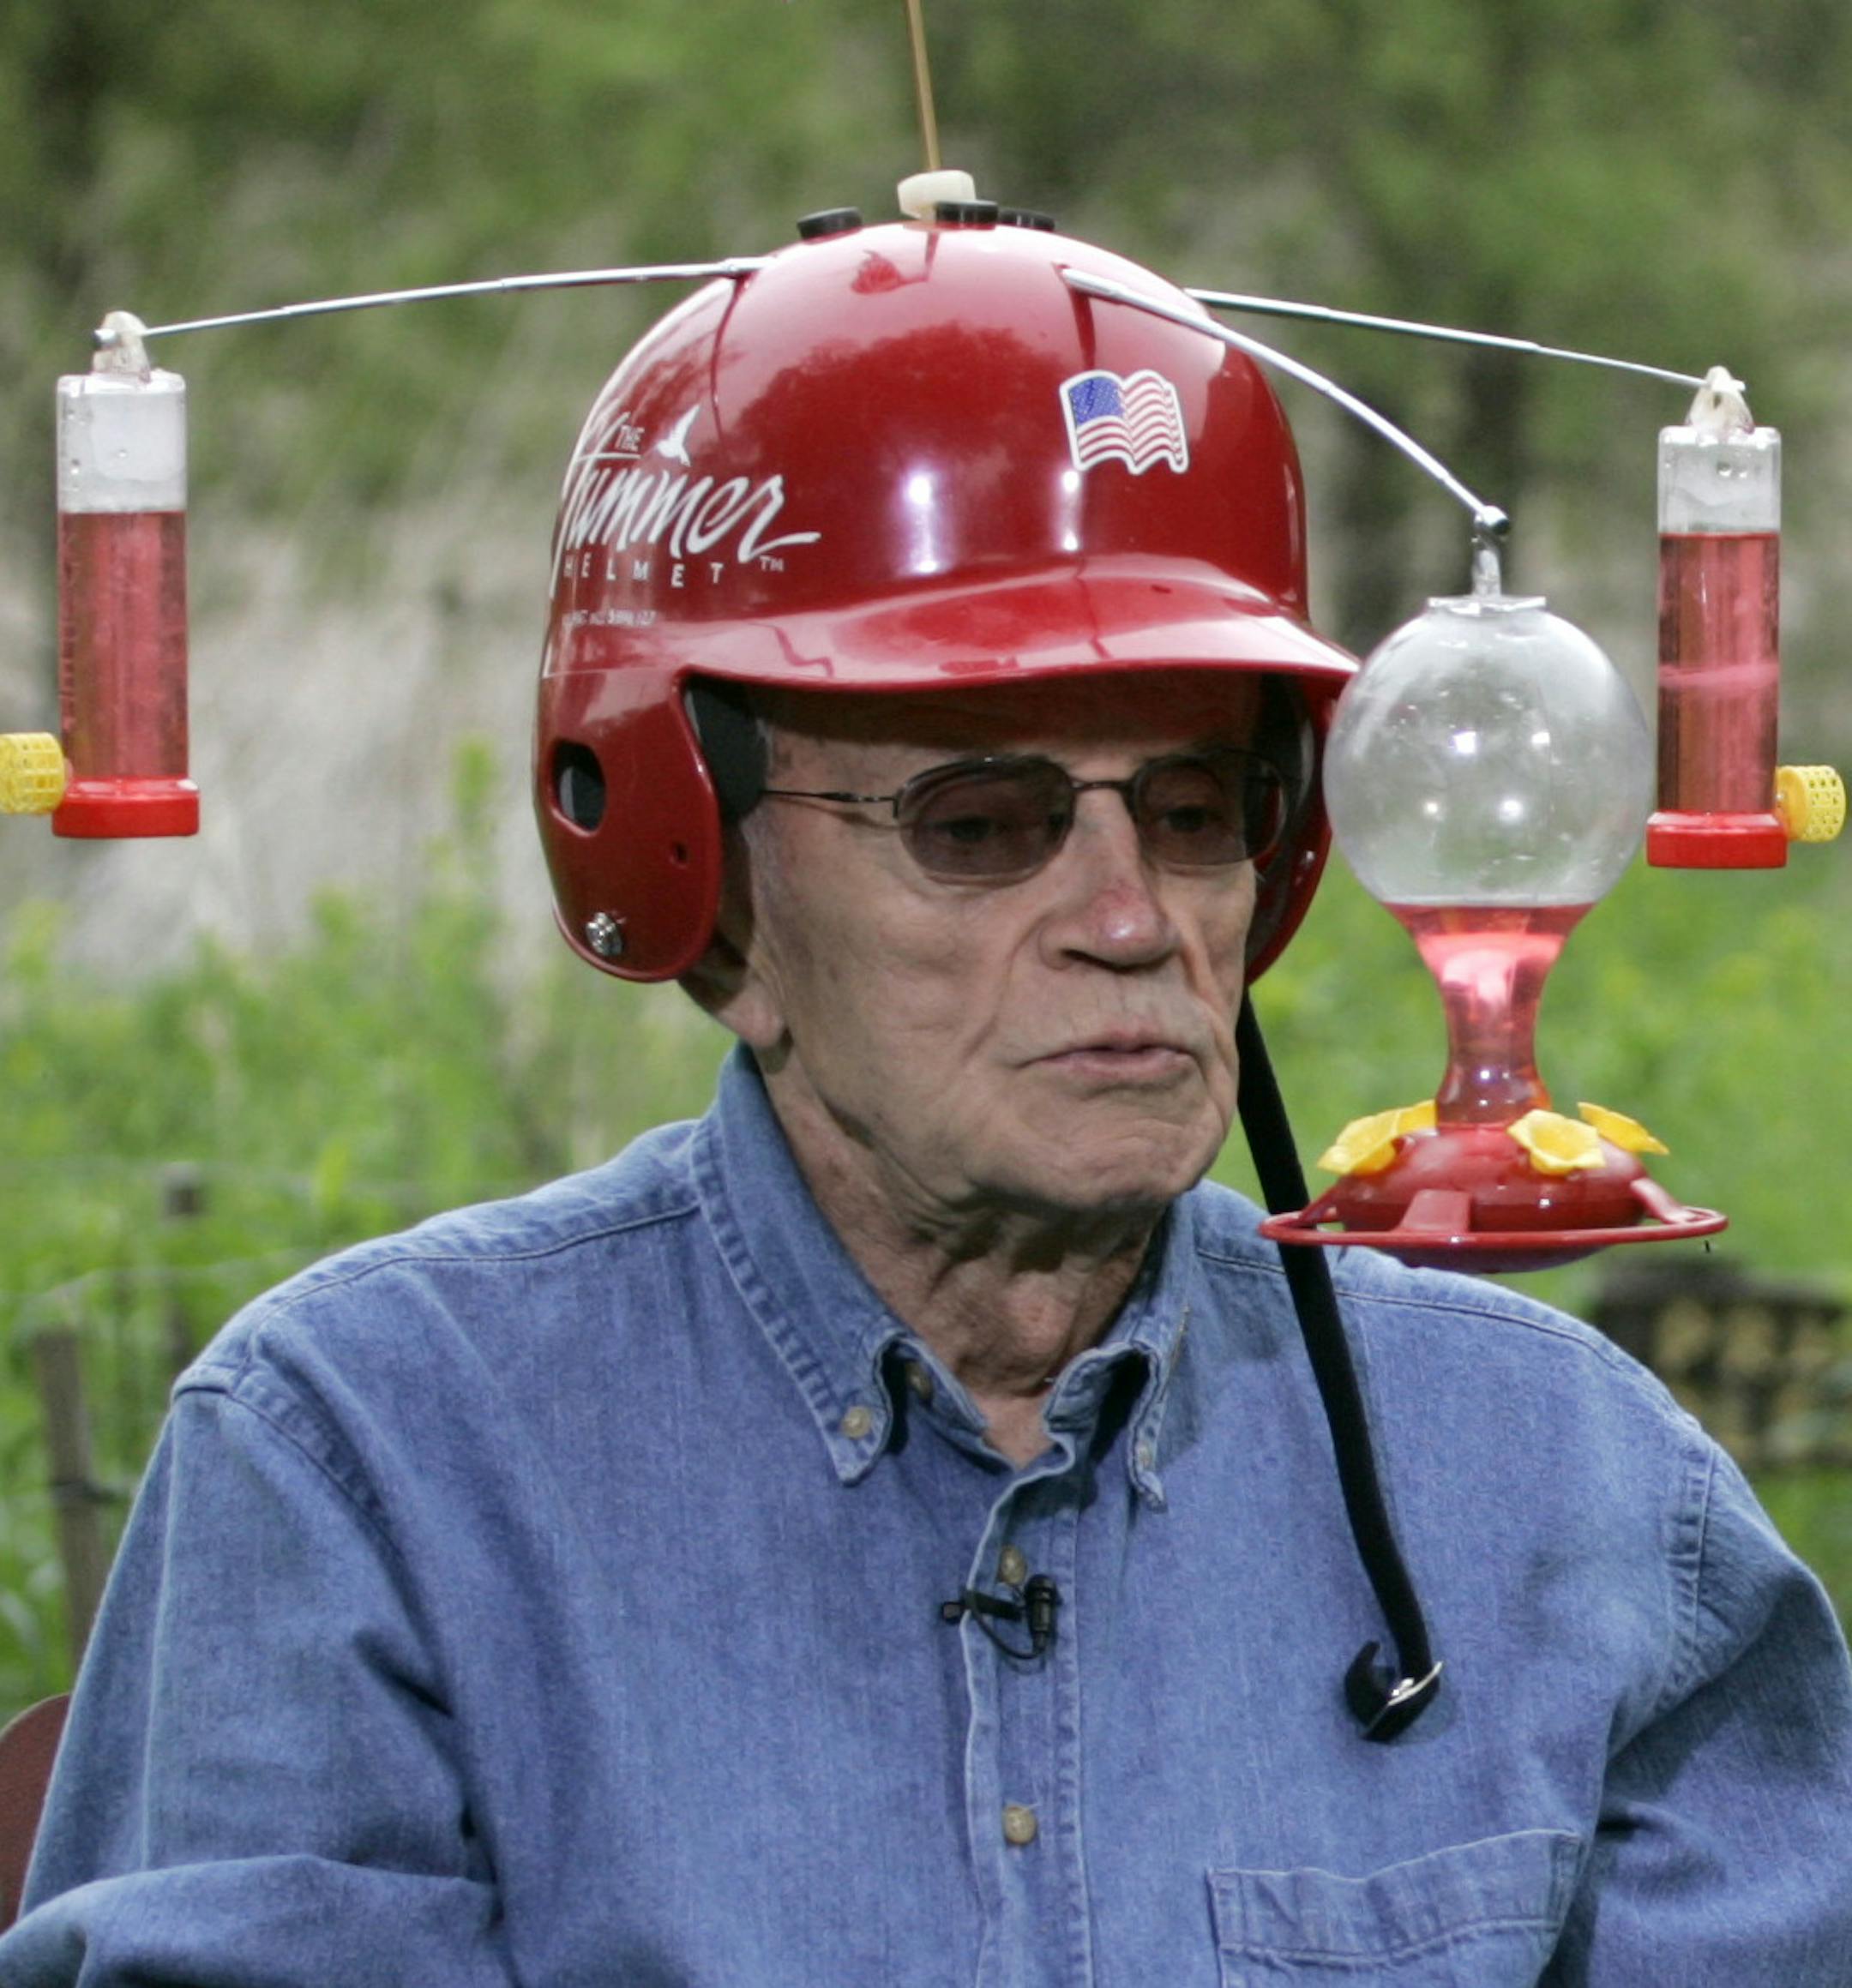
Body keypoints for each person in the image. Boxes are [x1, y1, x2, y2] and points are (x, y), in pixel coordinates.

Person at [5, 201, 1851, 1988]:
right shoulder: (364, 1466)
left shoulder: (1569, 1487)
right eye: (981, 822)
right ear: (696, 878)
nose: (1130, 918)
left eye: (1196, 808)